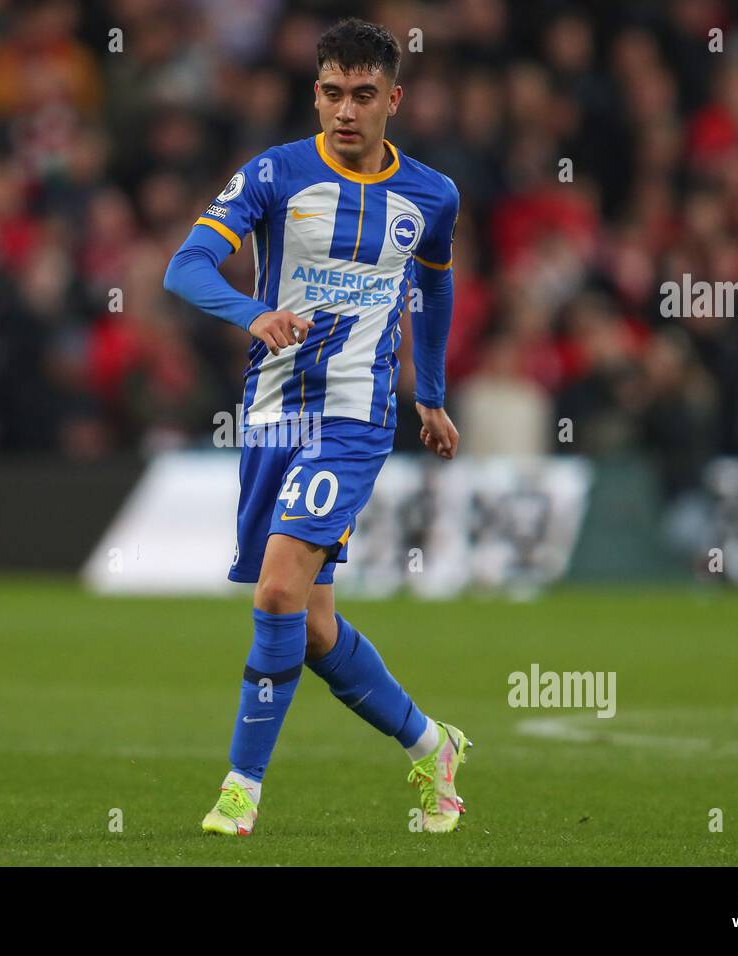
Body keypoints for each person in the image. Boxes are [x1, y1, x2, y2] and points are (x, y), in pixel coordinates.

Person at [163, 18, 471, 836]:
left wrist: (428, 394)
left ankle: (241, 789)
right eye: (332, 92)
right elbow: (185, 265)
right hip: (269, 417)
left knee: (275, 590)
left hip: (353, 419)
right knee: (312, 626)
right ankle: (431, 744)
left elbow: (434, 290)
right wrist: (252, 313)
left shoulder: (431, 195)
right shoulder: (276, 174)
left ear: (393, 100)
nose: (345, 110)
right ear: (316, 94)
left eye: (363, 95)